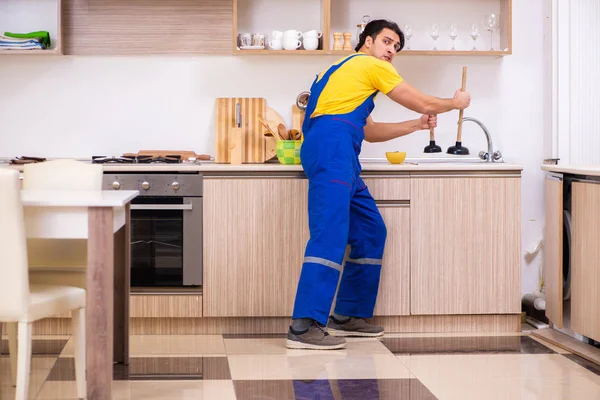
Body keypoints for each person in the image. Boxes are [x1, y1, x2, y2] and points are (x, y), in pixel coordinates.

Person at [286, 19, 471, 350]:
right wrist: (454, 103)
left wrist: (416, 125)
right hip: (333, 149)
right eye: (387, 41)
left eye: (396, 47)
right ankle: (305, 325)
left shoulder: (344, 73)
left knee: (371, 230)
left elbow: (369, 131)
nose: (391, 50)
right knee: (330, 232)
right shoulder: (369, 65)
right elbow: (420, 100)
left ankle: (348, 314)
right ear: (367, 42)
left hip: (340, 153)